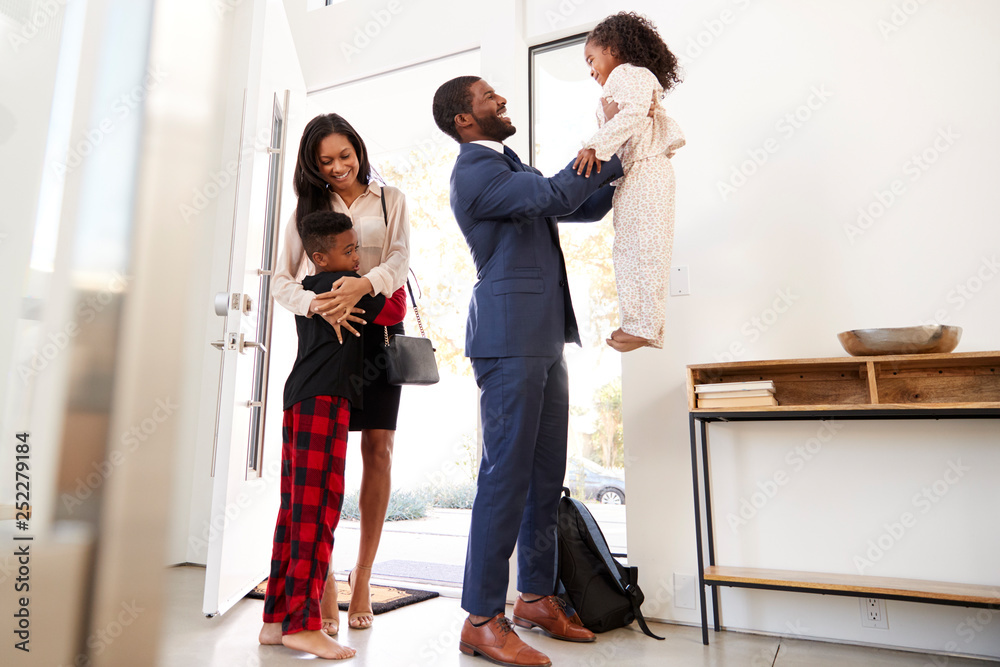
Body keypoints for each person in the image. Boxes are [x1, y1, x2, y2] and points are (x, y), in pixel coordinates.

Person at [432, 75, 624, 667]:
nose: (502, 100)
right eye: (489, 96)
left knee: (545, 476)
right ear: (464, 120)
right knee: (506, 478)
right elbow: (555, 195)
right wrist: (610, 139)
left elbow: (580, 203)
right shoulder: (476, 172)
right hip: (508, 340)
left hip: (543, 338)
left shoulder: (512, 169)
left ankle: (536, 597)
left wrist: (626, 161)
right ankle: (481, 619)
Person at [272, 113, 410, 632]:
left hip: (377, 335)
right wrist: (316, 306)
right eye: (325, 161)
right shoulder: (306, 210)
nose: (337, 168)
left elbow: (399, 259)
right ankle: (324, 586)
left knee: (379, 449)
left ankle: (364, 579)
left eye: (344, 156)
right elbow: (281, 281)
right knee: (322, 464)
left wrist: (364, 283)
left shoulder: (390, 198)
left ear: (359, 148)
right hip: (328, 339)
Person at [258, 211, 386, 660]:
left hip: (299, 399)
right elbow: (393, 301)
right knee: (318, 514)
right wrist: (371, 279)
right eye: (350, 250)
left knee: (295, 512)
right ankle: (302, 624)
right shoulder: (343, 288)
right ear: (319, 256)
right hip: (325, 402)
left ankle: (276, 620)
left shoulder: (309, 290)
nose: (358, 258)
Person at [573, 11, 686, 353]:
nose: (591, 70)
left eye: (592, 59)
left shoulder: (628, 73)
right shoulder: (625, 79)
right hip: (636, 173)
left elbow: (635, 113)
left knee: (644, 250)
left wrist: (595, 144)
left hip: (647, 170)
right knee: (630, 250)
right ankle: (640, 323)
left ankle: (645, 325)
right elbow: (631, 118)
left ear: (613, 49)